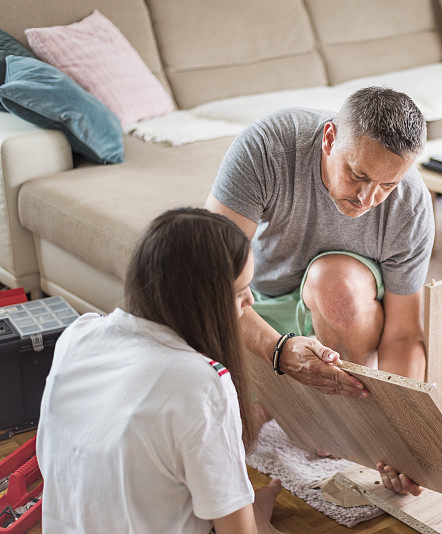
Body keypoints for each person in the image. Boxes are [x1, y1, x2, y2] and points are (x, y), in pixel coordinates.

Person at [37, 208, 281, 533]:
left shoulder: (79, 335)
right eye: (239, 292)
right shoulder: (202, 382)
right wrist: (259, 522)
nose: (250, 300)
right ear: (202, 302)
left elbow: (53, 463)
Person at [205, 87, 434, 397]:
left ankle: (349, 411)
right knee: (234, 424)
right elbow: (209, 279)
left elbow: (403, 336)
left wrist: (395, 424)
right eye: (357, 174)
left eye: (387, 185)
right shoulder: (266, 146)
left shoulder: (411, 204)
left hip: (344, 306)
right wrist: (278, 351)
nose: (367, 199)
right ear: (329, 139)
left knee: (337, 286)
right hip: (257, 304)